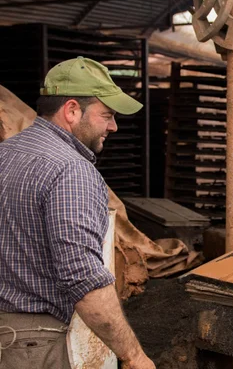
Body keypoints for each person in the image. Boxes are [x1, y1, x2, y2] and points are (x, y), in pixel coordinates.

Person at [0, 56, 154, 369]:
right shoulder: (71, 171)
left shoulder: (7, 152)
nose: (113, 126)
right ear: (71, 110)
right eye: (107, 115)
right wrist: (134, 356)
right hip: (35, 347)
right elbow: (82, 277)